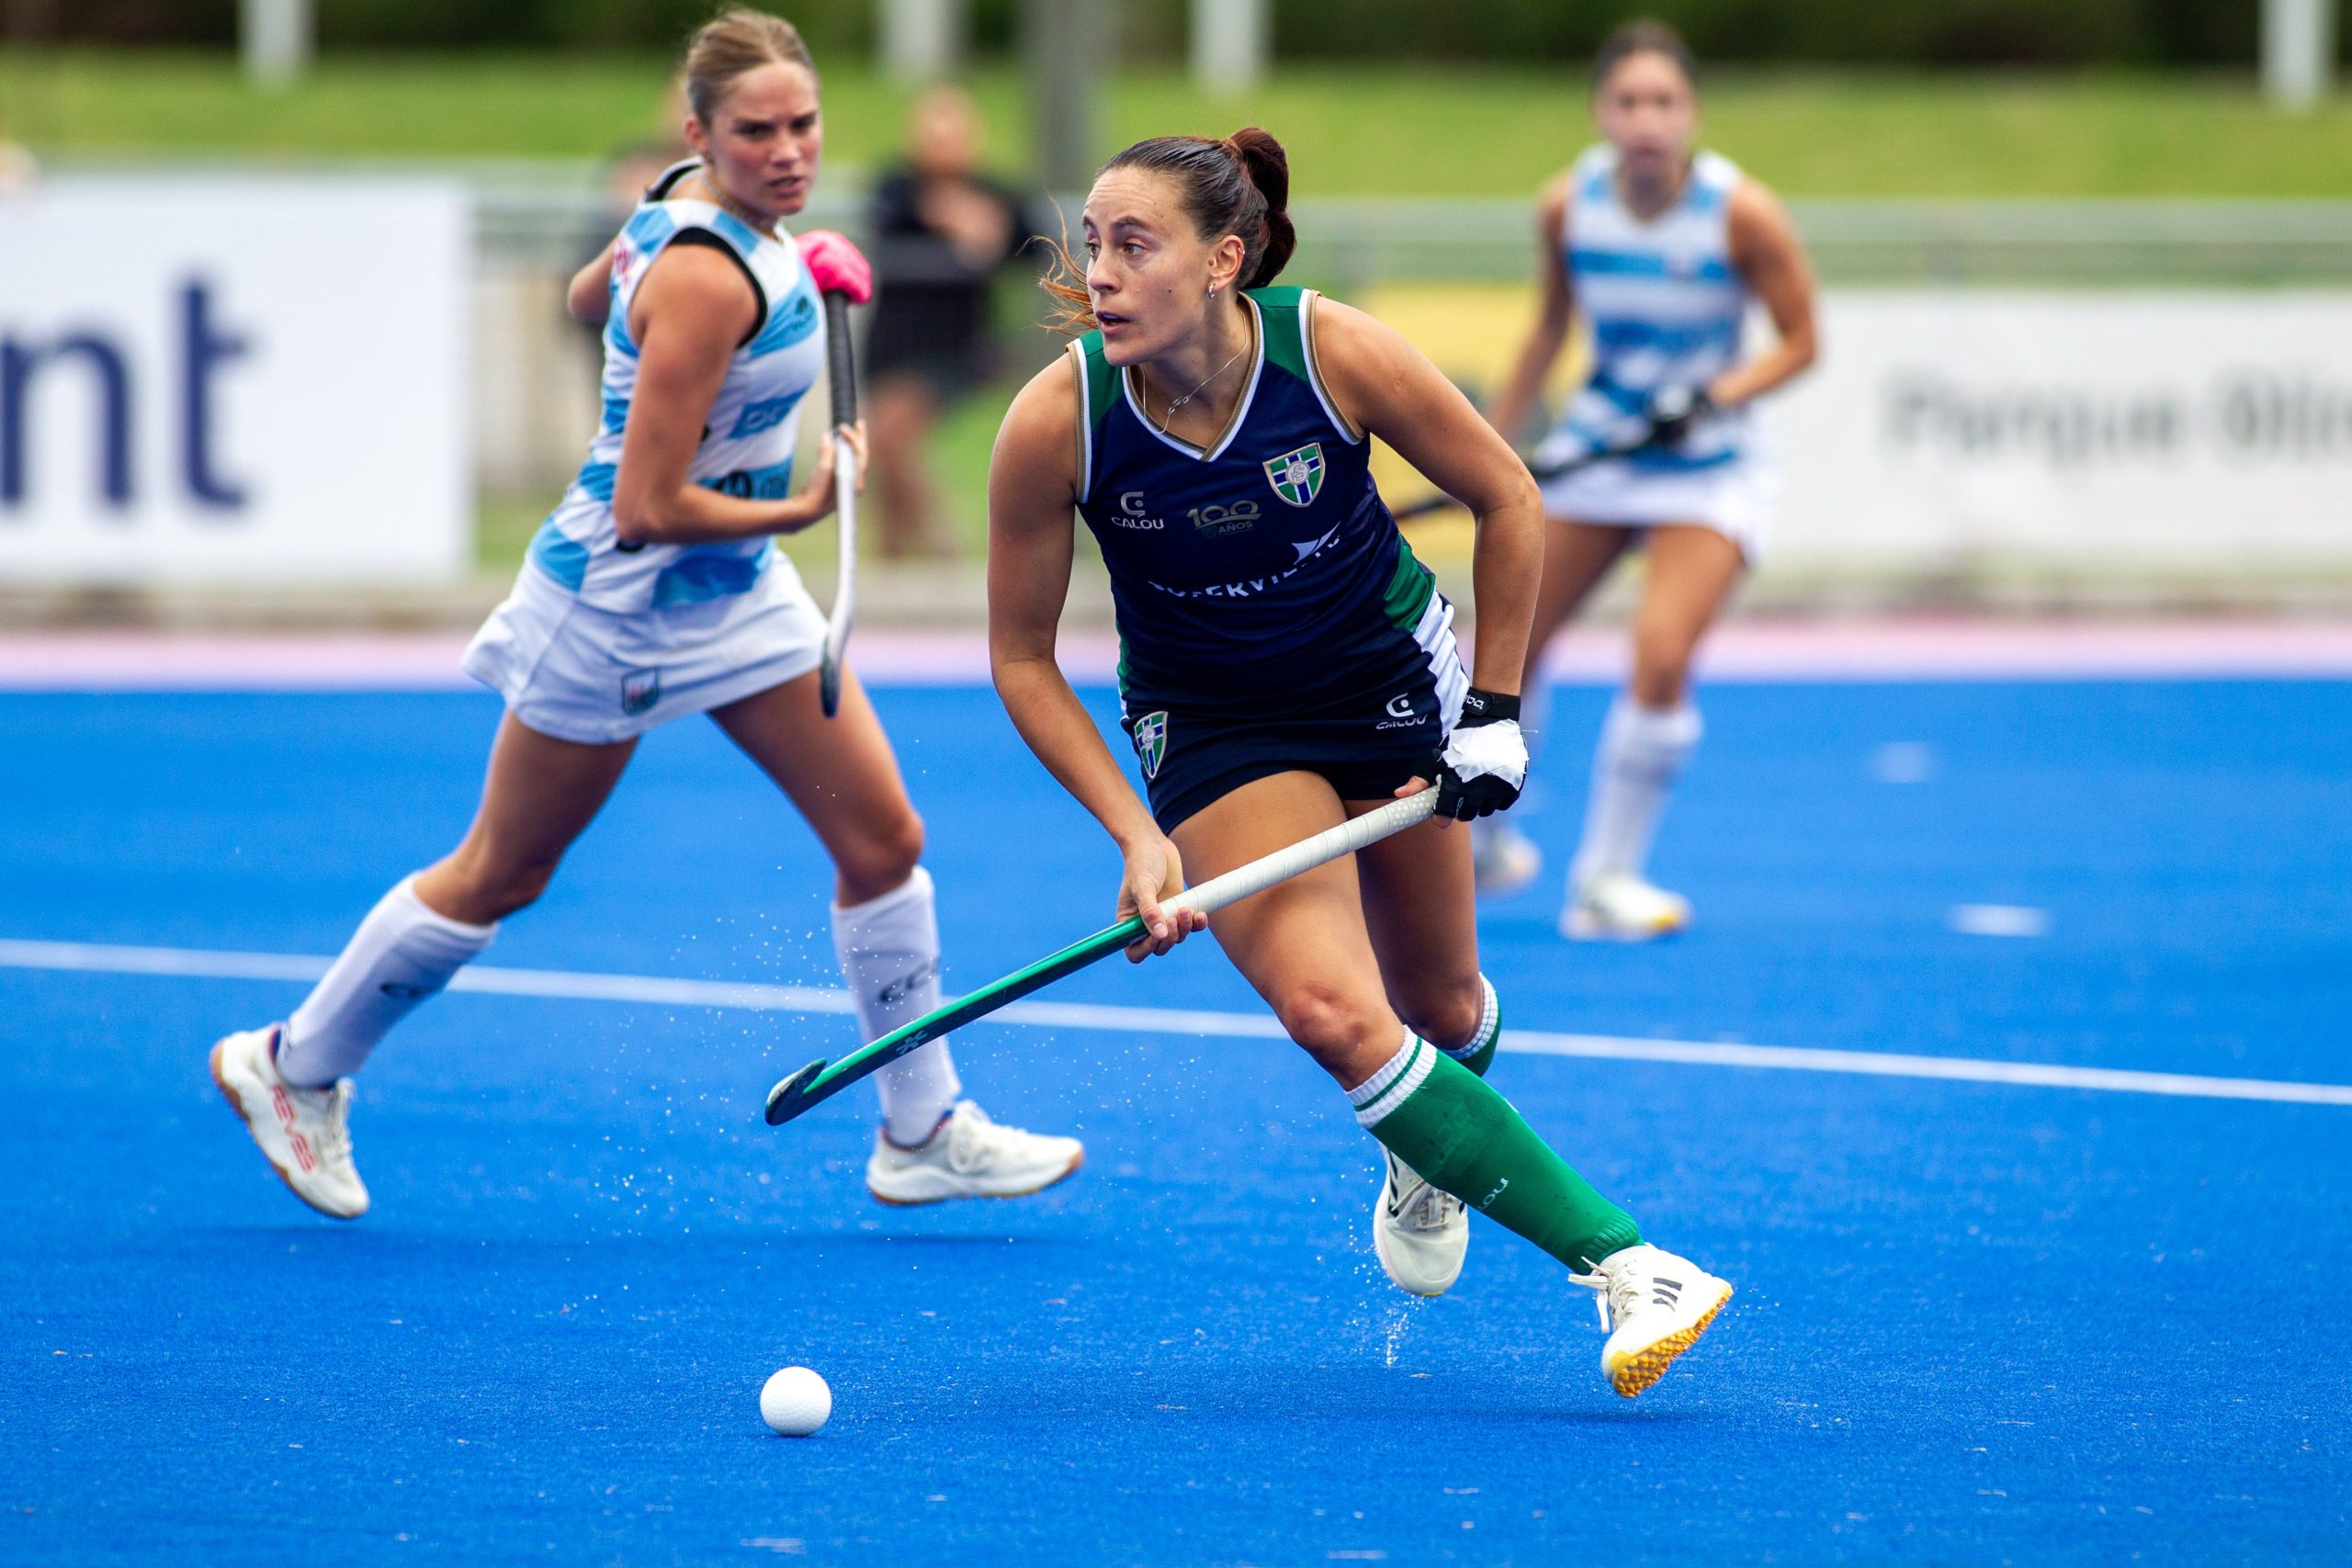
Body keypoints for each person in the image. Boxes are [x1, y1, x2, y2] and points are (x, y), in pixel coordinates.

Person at [209, 8, 1081, 1222]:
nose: (788, 150)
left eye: (804, 124)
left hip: (735, 601)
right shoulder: (702, 275)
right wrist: (804, 500)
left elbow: (586, 291)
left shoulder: (686, 212)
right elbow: (647, 502)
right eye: (756, 132)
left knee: (882, 837)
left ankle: (920, 1127)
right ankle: (290, 1065)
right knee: (502, 869)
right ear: (701, 133)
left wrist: (760, 258)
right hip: (616, 606)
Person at [985, 127, 1732, 1397]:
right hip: (1216, 730)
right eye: (1094, 245)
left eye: (1135, 245)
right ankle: (1629, 1262)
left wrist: (1492, 710)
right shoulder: (1060, 419)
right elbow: (1020, 657)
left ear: (1225, 259)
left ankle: (1423, 1147)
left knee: (1440, 1012)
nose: (1099, 274)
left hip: (1387, 684)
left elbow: (1509, 496)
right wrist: (1138, 833)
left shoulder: (1332, 350)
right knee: (1339, 1014)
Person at [1476, 18, 1818, 939]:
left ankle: (1605, 880)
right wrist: (1494, 454)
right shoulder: (1566, 205)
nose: (1645, 120)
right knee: (1505, 650)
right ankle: (1486, 843)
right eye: (1628, 101)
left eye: (1663, 102)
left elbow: (1801, 343)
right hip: (1600, 452)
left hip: (1707, 469)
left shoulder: (1740, 212)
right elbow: (1546, 329)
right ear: (1601, 112)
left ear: (1691, 114)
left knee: (1659, 656)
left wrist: (1716, 393)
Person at [863, 85, 1046, 558]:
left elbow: (1033, 244)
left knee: (888, 437)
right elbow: (886, 217)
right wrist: (948, 216)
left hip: (956, 349)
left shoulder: (996, 194)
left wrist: (993, 231)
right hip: (892, 344)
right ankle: (897, 562)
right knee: (884, 454)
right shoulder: (897, 186)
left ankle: (941, 554)